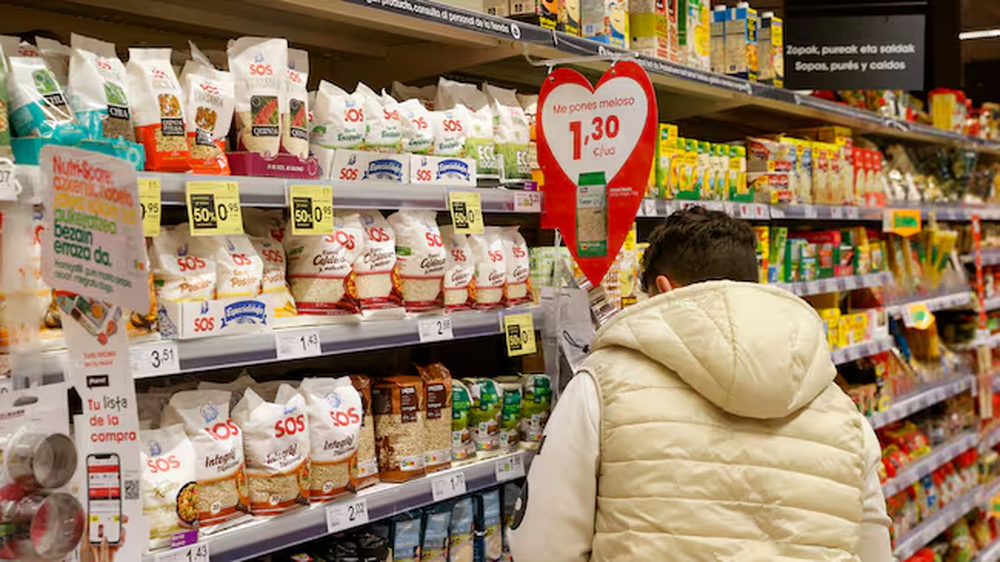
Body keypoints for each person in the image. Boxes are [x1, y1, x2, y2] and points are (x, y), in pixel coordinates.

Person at [510, 207, 892, 562]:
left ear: (663, 289)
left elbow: (542, 547)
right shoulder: (841, 411)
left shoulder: (601, 386)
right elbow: (874, 549)